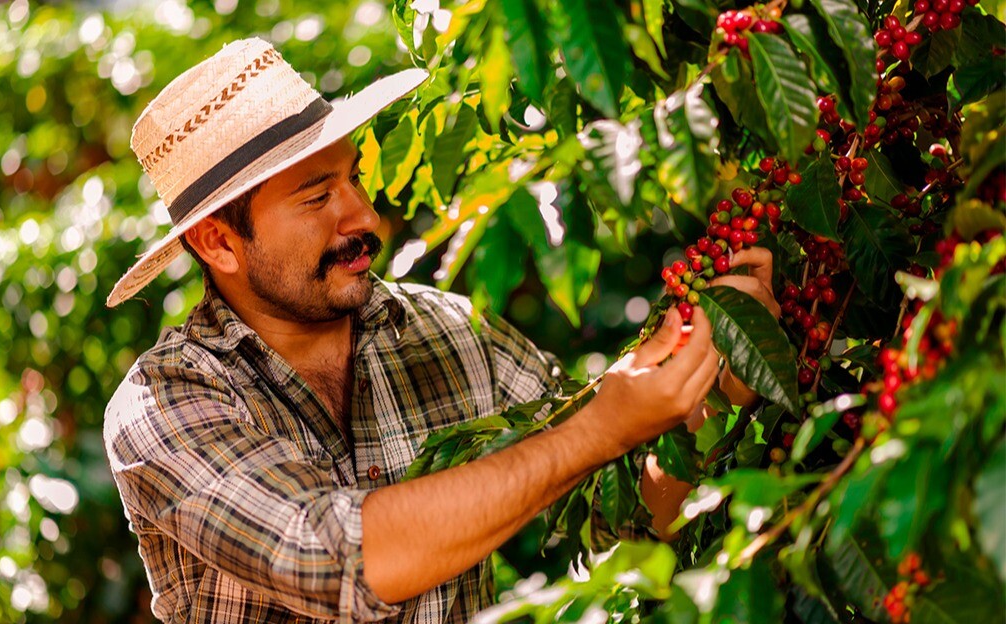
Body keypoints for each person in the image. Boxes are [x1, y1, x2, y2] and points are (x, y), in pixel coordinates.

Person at [103, 38, 778, 623]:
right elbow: (338, 560)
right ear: (218, 243)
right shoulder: (165, 405)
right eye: (316, 197)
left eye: (354, 179)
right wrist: (601, 425)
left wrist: (710, 395)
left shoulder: (447, 329)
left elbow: (616, 514)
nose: (363, 217)